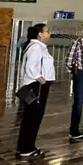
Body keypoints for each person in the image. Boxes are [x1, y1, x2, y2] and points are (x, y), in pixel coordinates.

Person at [17, 24, 55, 158]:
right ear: (40, 34)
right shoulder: (36, 48)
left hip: (37, 85)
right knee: (33, 117)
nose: (49, 33)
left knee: (31, 117)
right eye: (47, 31)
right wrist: (41, 79)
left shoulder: (38, 47)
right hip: (36, 86)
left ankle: (25, 147)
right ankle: (27, 148)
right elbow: (31, 66)